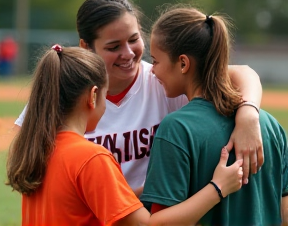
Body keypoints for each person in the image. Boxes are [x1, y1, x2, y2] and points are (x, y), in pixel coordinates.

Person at [14, 0, 263, 196]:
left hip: (155, 215)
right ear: (86, 46)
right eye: (113, 47)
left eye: (133, 39)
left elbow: (242, 73)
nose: (129, 53)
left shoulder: (164, 79)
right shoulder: (68, 90)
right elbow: (23, 159)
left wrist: (249, 116)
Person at [6, 44, 244, 226]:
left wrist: (154, 185)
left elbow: (98, 202)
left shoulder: (41, 149)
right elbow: (150, 225)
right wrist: (217, 187)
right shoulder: (91, 158)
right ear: (92, 96)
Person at [140, 6, 288, 225]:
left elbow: (159, 223)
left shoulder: (176, 129)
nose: (152, 71)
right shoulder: (270, 125)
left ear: (183, 63)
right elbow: (284, 214)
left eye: (155, 61)